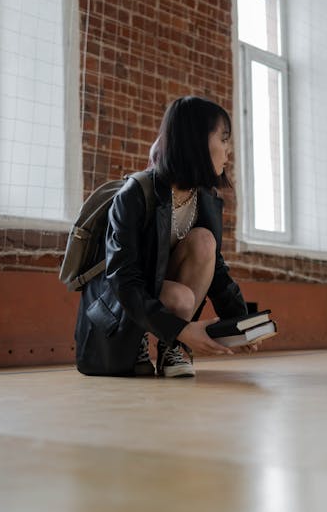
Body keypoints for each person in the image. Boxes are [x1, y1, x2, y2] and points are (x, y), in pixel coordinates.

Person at [75, 95, 256, 378]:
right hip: (120, 306)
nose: (228, 151)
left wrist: (241, 324)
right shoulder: (135, 194)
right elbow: (123, 280)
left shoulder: (204, 198)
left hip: (157, 292)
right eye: (223, 139)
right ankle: (141, 342)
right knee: (181, 298)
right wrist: (182, 329)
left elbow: (215, 269)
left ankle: (171, 349)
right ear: (196, 141)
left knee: (205, 242)